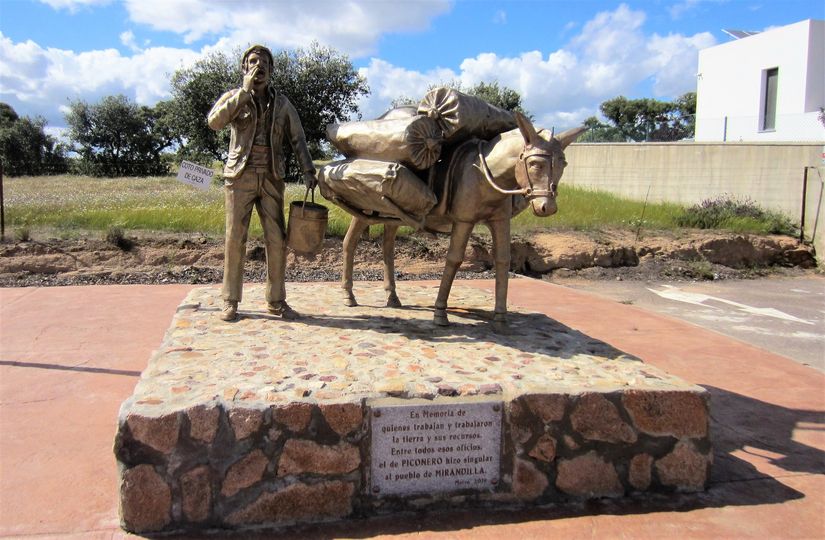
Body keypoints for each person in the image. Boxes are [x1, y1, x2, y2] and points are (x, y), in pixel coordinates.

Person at [208, 44, 317, 321]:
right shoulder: (234, 97)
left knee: (276, 239)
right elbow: (214, 122)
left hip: (271, 177)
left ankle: (276, 301)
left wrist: (308, 170)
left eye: (265, 62)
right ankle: (230, 300)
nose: (260, 66)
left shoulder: (282, 104)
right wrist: (243, 93)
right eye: (254, 61)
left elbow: (298, 139)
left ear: (272, 70)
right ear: (245, 68)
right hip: (239, 177)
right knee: (235, 238)